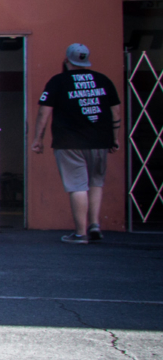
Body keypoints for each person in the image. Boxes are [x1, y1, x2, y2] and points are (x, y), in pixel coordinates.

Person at [31, 44, 121, 244]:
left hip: (69, 142)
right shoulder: (103, 80)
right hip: (100, 141)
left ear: (66, 60)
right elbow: (115, 111)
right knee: (96, 182)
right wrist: (114, 138)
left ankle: (80, 233)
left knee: (77, 186)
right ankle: (94, 225)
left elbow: (44, 111)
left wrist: (38, 139)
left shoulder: (58, 81)